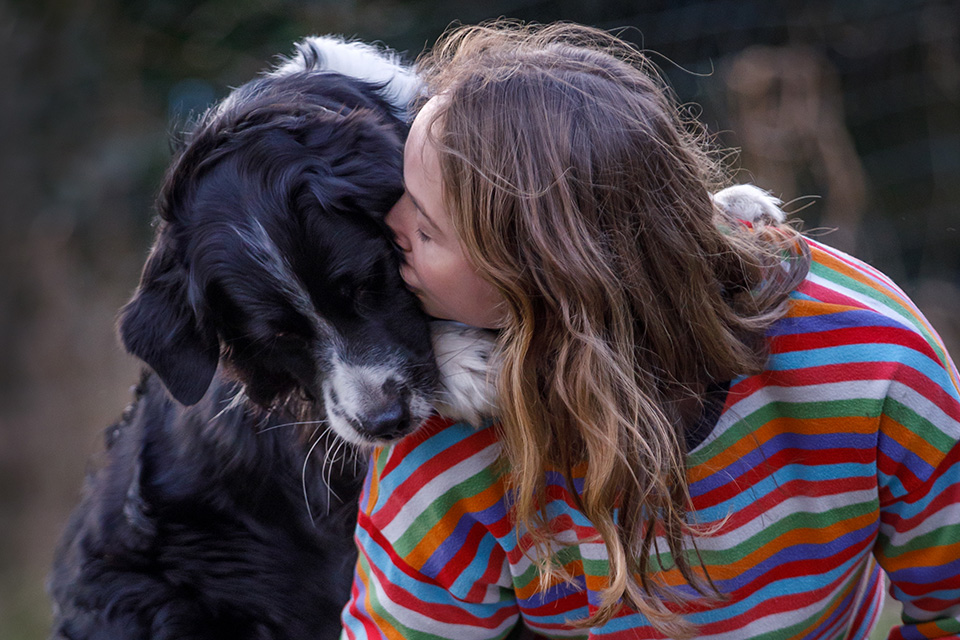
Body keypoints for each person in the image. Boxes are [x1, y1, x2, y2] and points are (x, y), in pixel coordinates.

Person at [341, 21, 960, 640]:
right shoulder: (443, 443)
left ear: (541, 276)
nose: (388, 227)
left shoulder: (870, 360)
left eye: (425, 231)